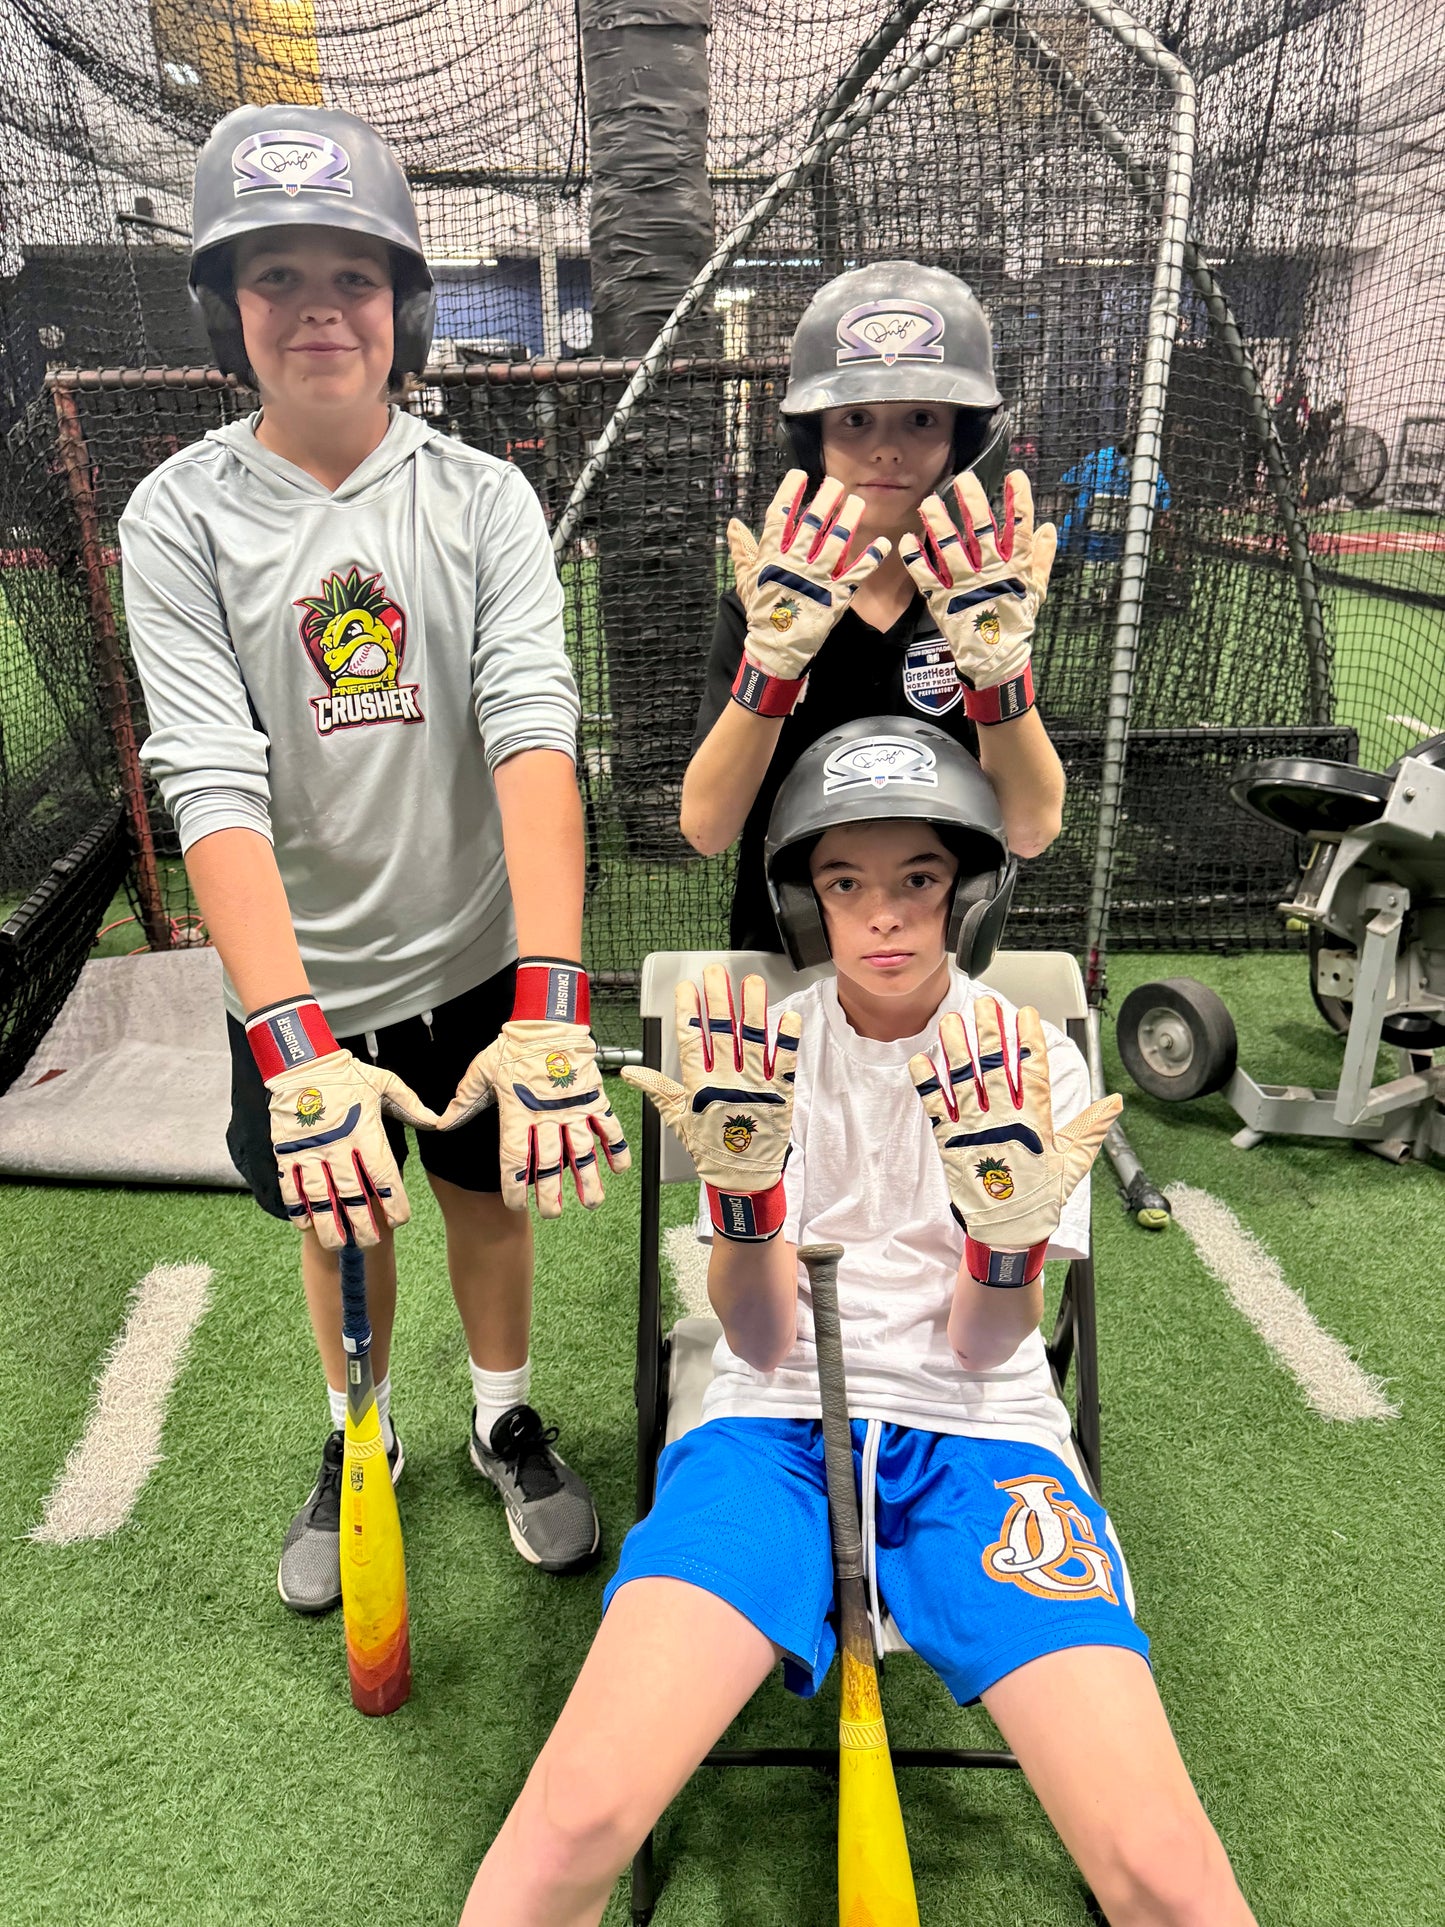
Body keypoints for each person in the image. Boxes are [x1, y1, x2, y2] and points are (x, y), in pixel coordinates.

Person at [461, 717, 1257, 1927]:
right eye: (845, 883)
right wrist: (745, 1202)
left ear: (968, 894)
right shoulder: (758, 1054)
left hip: (978, 1438)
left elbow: (986, 1346)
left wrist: (1003, 1235)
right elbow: (758, 1340)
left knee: (1163, 1865)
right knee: (569, 1817)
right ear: (805, 903)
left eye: (917, 880)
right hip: (770, 1429)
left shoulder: (1029, 1060)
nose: (883, 915)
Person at [118, 104, 629, 1608]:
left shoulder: (479, 497)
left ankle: (501, 1414)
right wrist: (293, 1045)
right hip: (301, 978)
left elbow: (531, 732)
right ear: (228, 309)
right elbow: (210, 779)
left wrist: (549, 1003)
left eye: (352, 276)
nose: (318, 311)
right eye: (274, 277)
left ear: (401, 301)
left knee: (487, 1196)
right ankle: (363, 1431)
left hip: (472, 950)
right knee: (340, 1214)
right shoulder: (178, 515)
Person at [680, 259, 1068, 952]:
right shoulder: (766, 603)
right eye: (855, 419)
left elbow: (1032, 829)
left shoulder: (984, 596)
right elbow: (707, 828)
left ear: (963, 437)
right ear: (814, 437)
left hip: (939, 959)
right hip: (788, 950)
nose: (887, 450)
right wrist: (772, 662)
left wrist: (998, 670)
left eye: (920, 419)